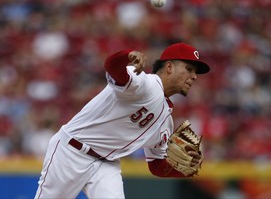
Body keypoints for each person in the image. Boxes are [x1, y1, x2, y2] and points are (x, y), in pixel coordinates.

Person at [34, 42, 210, 199]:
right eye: (189, 69)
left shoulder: (165, 120)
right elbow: (112, 67)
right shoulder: (144, 84)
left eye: (195, 72)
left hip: (106, 164)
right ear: (169, 67)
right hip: (72, 152)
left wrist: (185, 169)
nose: (194, 76)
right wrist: (126, 56)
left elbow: (156, 165)